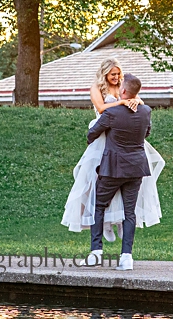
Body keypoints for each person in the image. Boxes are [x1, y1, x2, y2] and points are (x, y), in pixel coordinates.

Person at [62, 58, 164, 242]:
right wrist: (123, 104)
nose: (117, 77)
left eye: (118, 74)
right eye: (113, 74)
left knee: (123, 183)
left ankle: (117, 222)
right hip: (103, 136)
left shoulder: (123, 88)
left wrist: (136, 102)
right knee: (97, 180)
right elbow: (101, 108)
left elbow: (138, 101)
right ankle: (104, 224)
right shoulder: (96, 88)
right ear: (105, 74)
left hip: (121, 138)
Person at [85, 73, 153, 271]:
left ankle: (96, 252)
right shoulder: (146, 110)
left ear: (123, 91)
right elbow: (146, 132)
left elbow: (92, 133)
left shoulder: (112, 114)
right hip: (136, 167)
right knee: (129, 212)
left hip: (112, 168)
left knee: (98, 206)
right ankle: (126, 258)